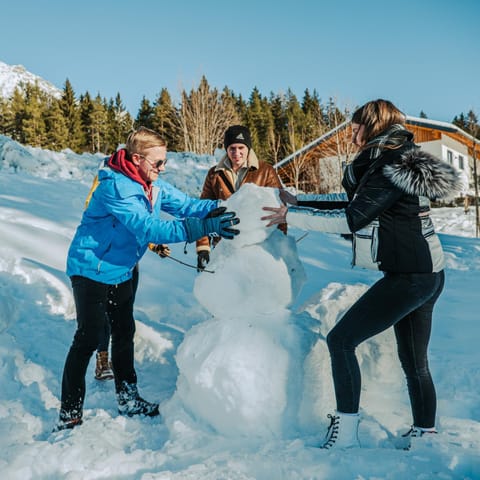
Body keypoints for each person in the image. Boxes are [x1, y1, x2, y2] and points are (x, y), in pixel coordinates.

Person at [262, 99, 462, 449]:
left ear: (371, 126)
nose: (350, 132)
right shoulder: (397, 158)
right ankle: (425, 433)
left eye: (355, 126)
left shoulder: (389, 164)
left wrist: (290, 217)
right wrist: (299, 203)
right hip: (428, 273)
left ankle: (347, 434)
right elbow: (355, 203)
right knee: (415, 361)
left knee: (341, 340)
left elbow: (352, 219)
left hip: (411, 277)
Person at [55, 126, 240, 431]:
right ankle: (69, 411)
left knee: (124, 332)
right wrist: (204, 228)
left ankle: (128, 398)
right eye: (157, 163)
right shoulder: (116, 188)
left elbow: (187, 206)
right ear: (137, 159)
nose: (162, 168)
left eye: (164, 162)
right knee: (88, 337)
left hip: (122, 269)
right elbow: (150, 228)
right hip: (91, 268)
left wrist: (226, 206)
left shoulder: (151, 184)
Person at [196, 125, 286, 271]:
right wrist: (203, 248)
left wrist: (281, 245)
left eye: (241, 148)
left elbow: (279, 211)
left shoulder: (265, 171)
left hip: (259, 248)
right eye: (232, 148)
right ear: (226, 149)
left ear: (248, 148)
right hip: (224, 247)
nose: (236, 153)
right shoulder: (215, 174)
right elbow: (202, 211)